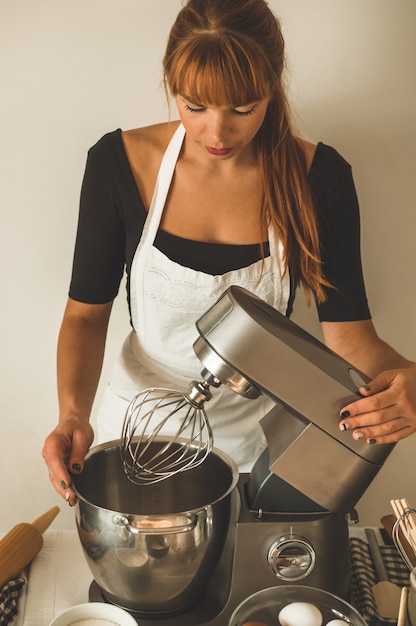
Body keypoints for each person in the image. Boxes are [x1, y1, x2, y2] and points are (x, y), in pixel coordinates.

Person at [42, 0, 416, 506]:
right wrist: (71, 415)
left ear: (272, 87)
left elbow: (350, 340)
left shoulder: (319, 179)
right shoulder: (119, 165)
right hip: (131, 437)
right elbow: (85, 317)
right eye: (195, 106)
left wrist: (410, 383)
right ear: (172, 83)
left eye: (243, 108)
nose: (216, 133)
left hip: (253, 450)